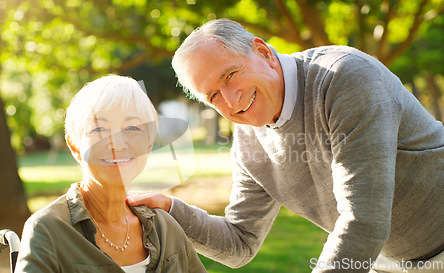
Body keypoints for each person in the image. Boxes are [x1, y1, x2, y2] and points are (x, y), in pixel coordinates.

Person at [127, 19, 444, 273]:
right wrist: (170, 208)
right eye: (213, 96)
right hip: (381, 260)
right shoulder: (249, 141)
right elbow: (240, 242)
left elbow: (364, 219)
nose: (232, 99)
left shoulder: (346, 78)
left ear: (263, 52)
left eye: (231, 75)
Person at [15, 75, 207, 273]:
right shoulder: (48, 229)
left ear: (149, 143)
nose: (117, 143)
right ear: (75, 146)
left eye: (132, 128)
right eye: (99, 129)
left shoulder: (165, 227)